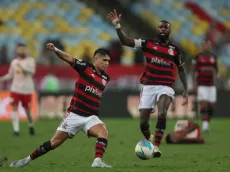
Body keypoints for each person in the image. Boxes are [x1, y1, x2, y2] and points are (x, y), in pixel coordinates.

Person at [9, 43, 112, 168]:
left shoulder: (106, 78)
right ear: (96, 58)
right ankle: (26, 160)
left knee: (103, 131)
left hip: (90, 116)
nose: (106, 63)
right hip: (74, 114)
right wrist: (56, 50)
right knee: (54, 142)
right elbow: (68, 58)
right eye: (104, 60)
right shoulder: (85, 67)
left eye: (108, 61)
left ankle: (97, 161)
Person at [108, 9, 188, 157]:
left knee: (162, 112)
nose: (163, 29)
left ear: (169, 30)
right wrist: (117, 26)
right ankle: (150, 139)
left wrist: (185, 89)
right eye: (161, 27)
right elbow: (125, 42)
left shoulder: (175, 50)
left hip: (166, 86)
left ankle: (156, 146)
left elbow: (182, 70)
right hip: (149, 86)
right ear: (157, 29)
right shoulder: (147, 43)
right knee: (143, 122)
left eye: (166, 27)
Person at [0, 43, 36, 136]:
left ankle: (31, 125)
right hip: (15, 88)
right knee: (14, 107)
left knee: (27, 109)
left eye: (23, 49)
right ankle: (16, 130)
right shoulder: (14, 62)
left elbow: (32, 71)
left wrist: (23, 67)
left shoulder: (30, 60)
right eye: (20, 50)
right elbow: (11, 74)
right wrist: (2, 78)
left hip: (27, 89)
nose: (21, 51)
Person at [192, 40, 219, 132]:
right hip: (201, 85)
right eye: (205, 45)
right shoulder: (197, 57)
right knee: (204, 104)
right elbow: (193, 72)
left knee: (211, 106)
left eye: (208, 45)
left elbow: (216, 69)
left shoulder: (213, 57)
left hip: (211, 85)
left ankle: (207, 122)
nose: (207, 47)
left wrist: (218, 75)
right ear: (202, 46)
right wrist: (194, 85)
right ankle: (205, 124)